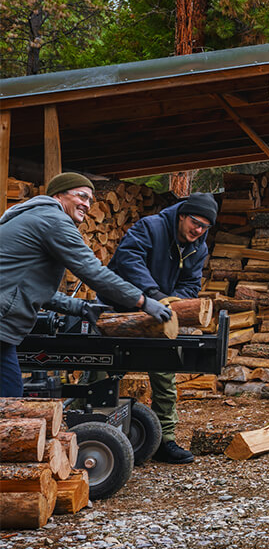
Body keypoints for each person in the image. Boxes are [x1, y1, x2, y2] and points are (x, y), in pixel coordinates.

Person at [0, 173, 173, 396]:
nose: (87, 205)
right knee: (10, 401)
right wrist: (142, 301)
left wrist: (81, 308)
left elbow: (30, 290)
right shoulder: (53, 219)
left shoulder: (37, 216)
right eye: (81, 196)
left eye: (90, 200)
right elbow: (92, 271)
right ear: (59, 195)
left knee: (9, 397)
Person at [102, 192, 218, 464]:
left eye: (204, 227)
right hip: (120, 307)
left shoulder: (198, 247)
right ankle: (94, 431)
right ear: (181, 216)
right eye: (194, 223)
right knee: (104, 370)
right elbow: (128, 260)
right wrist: (152, 294)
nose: (198, 230)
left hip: (161, 314)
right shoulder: (150, 227)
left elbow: (191, 283)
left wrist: (174, 302)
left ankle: (165, 440)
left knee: (165, 373)